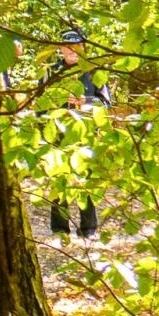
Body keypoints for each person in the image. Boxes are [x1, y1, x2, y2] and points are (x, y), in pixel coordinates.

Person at [46, 28, 111, 238]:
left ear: (84, 47)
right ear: (60, 49)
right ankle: (59, 229)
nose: (72, 51)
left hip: (86, 134)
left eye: (77, 46)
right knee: (59, 181)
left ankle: (88, 229)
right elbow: (40, 103)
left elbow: (105, 103)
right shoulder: (51, 71)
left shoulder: (94, 71)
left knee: (87, 181)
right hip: (58, 133)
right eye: (68, 46)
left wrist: (86, 102)